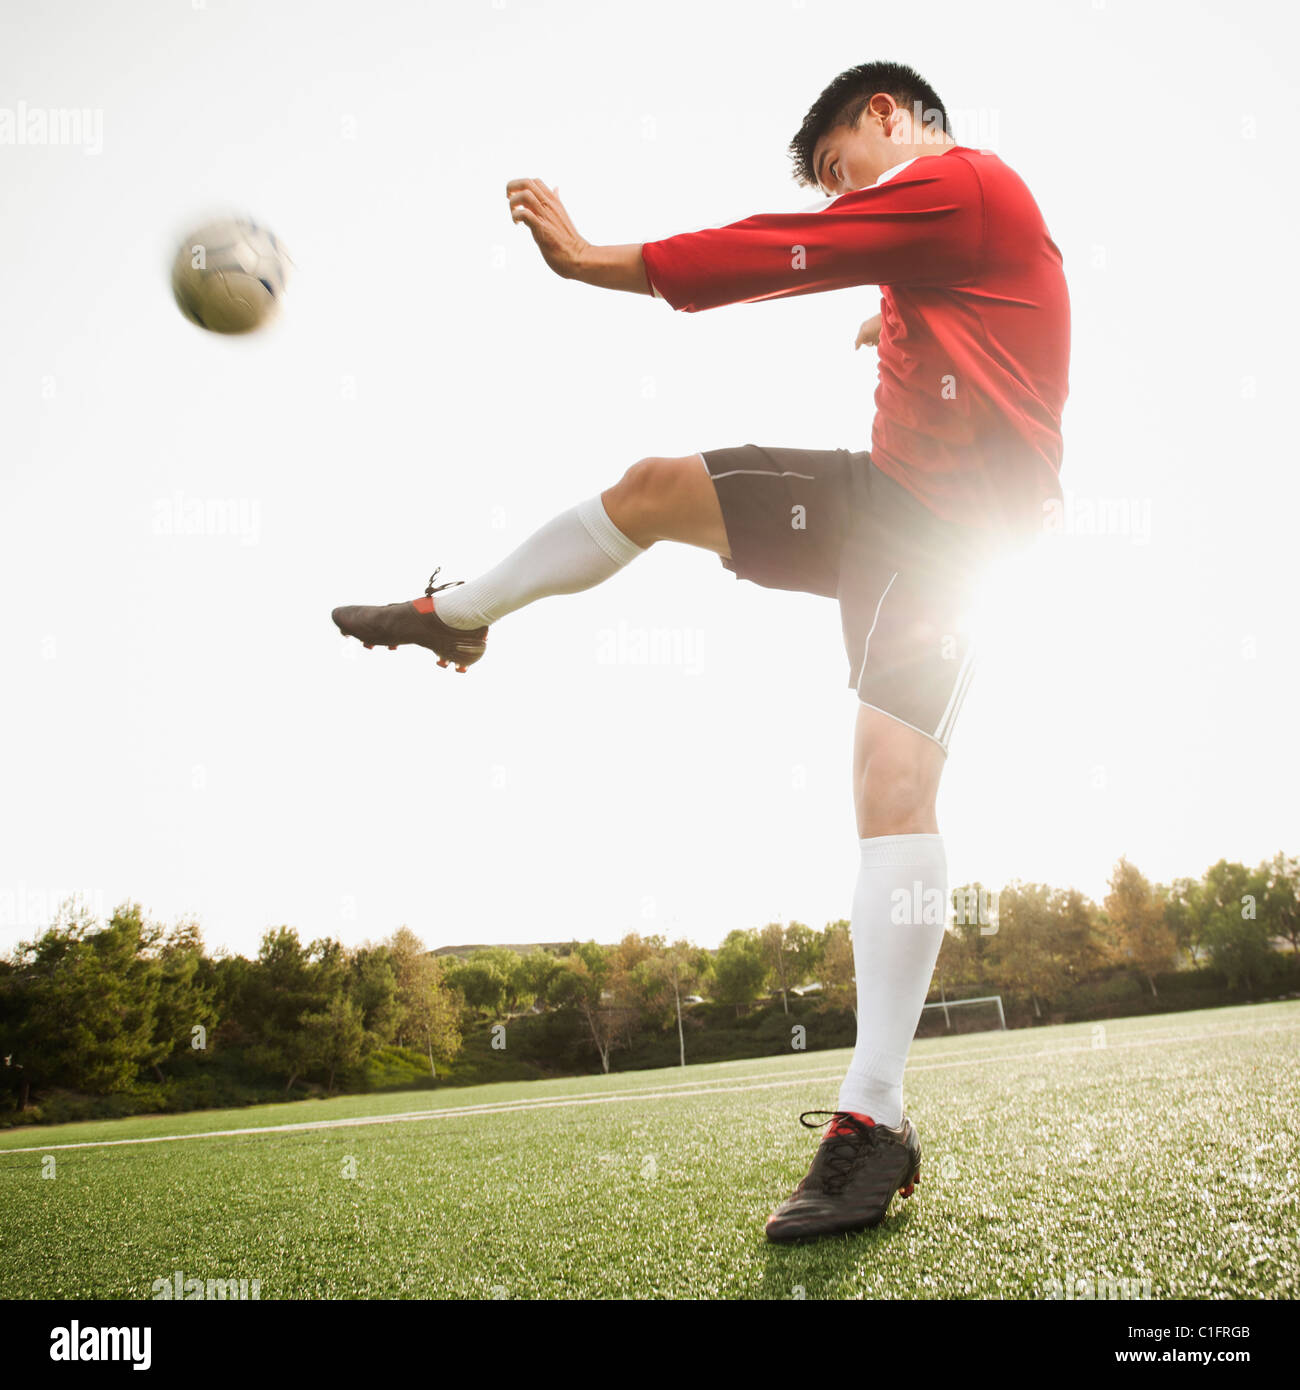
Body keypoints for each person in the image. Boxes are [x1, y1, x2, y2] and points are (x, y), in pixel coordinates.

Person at [332, 60, 1070, 1243]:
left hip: (957, 538)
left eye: (841, 170)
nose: (838, 200)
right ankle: (461, 612)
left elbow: (777, 250)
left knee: (888, 784)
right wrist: (895, 317)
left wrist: (596, 259)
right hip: (882, 502)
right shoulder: (936, 238)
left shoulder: (966, 184)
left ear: (889, 117)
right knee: (652, 487)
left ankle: (871, 1118)